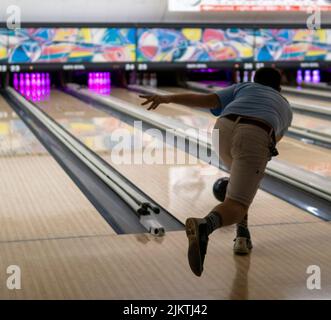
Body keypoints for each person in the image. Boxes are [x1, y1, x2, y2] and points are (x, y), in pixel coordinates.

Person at [140, 67, 293, 277]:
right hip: (256, 131)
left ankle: (242, 236)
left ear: (254, 79)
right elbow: (270, 142)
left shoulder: (243, 87)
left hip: (223, 128)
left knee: (236, 185)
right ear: (279, 86)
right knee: (238, 203)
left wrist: (167, 98)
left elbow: (205, 100)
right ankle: (206, 226)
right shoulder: (285, 106)